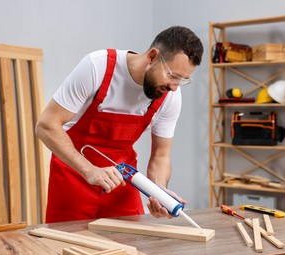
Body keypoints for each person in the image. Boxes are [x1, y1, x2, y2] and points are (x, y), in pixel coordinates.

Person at [35, 26, 204, 223]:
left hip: (122, 182)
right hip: (73, 178)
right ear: (152, 56)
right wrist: (89, 170)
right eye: (173, 76)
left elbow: (161, 155)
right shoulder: (97, 67)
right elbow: (46, 125)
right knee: (64, 247)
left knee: (129, 247)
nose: (174, 87)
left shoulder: (169, 97)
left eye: (182, 80)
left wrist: (159, 192)